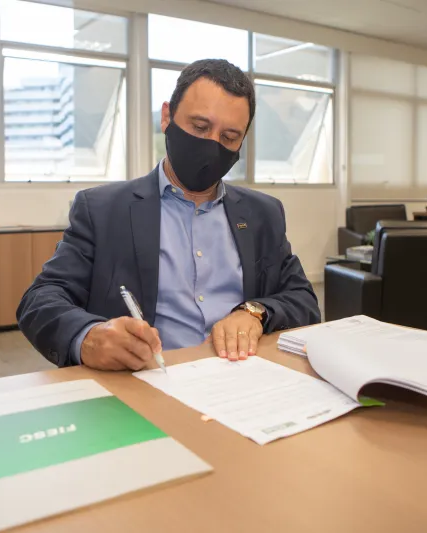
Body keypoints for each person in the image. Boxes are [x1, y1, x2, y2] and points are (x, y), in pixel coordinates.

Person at [17, 58, 320, 371]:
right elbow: (40, 300)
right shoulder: (103, 210)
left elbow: (303, 300)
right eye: (200, 127)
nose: (211, 145)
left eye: (229, 137)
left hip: (242, 377)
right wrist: (89, 336)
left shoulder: (263, 214)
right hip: (147, 382)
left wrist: (255, 312)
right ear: (167, 117)